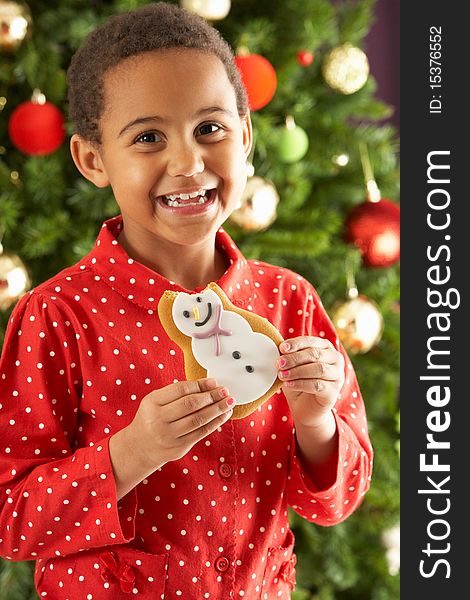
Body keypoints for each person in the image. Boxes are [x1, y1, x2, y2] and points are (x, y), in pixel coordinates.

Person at [0, 3, 373, 598]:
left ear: (246, 137)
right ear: (93, 160)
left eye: (210, 129)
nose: (188, 162)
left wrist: (315, 422)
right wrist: (131, 452)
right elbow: (11, 520)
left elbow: (336, 501)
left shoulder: (289, 303)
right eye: (148, 137)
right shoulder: (57, 316)